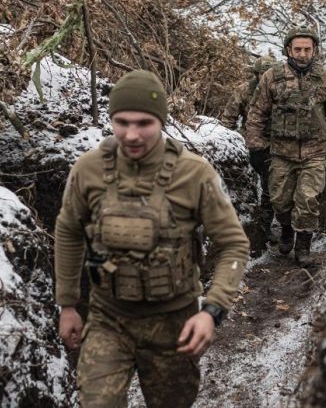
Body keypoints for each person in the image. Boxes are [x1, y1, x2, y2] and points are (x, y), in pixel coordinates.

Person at [54, 70, 250, 407]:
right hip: (108, 318)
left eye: (144, 123)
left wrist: (211, 311)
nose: (131, 134)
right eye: (122, 121)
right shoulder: (88, 169)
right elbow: (69, 230)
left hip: (173, 321)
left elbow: (233, 243)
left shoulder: (194, 173)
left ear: (160, 121)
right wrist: (68, 304)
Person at [244, 25, 326, 259]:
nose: (302, 54)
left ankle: (303, 247)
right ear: (289, 50)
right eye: (298, 49)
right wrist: (256, 147)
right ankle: (287, 229)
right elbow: (256, 113)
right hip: (281, 152)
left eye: (307, 49)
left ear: (315, 51)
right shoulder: (273, 77)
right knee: (280, 200)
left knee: (308, 199)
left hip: (315, 152)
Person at [220, 55, 278, 229]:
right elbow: (229, 118)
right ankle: (261, 222)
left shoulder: (281, 90)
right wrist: (229, 142)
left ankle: (267, 224)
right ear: (256, 74)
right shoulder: (244, 90)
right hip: (253, 143)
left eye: (269, 73)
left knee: (270, 185)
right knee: (262, 183)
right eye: (262, 73)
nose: (265, 77)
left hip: (276, 145)